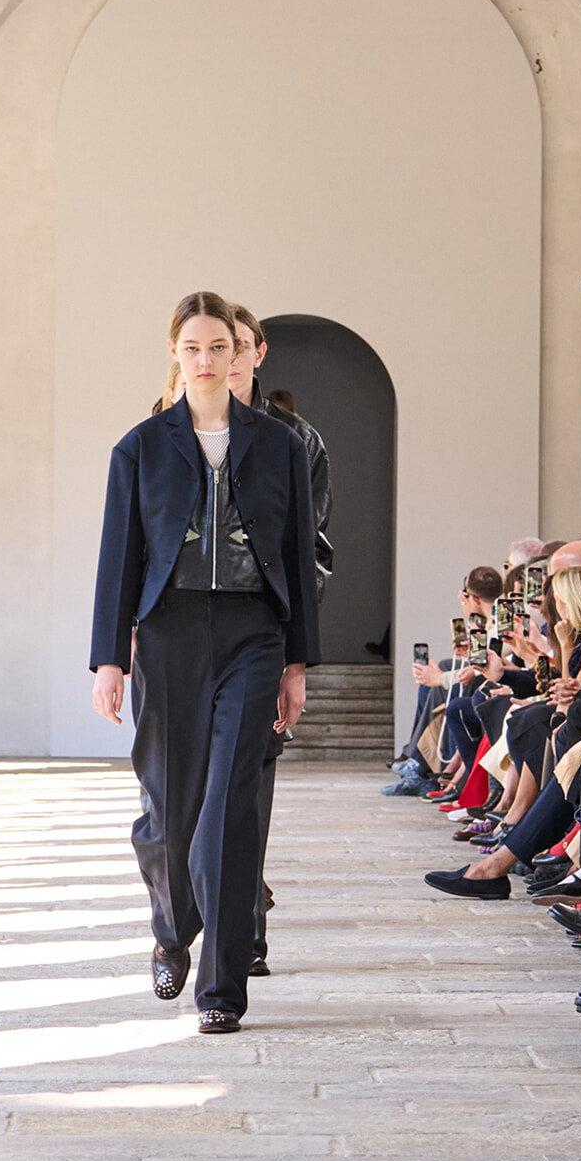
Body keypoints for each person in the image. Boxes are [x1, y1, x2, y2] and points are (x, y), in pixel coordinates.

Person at [91, 291, 320, 1034]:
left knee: (229, 808)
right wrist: (108, 658)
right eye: (192, 347)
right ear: (175, 355)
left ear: (241, 353)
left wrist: (296, 663)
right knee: (168, 808)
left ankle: (221, 990)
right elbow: (119, 558)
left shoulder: (279, 445)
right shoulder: (141, 446)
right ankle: (169, 929)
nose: (205, 359)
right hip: (168, 634)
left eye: (218, 346)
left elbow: (295, 559)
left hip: (254, 635)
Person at [228, 304, 333, 974]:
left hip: (259, 637)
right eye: (209, 346)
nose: (223, 359)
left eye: (236, 345)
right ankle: (205, 899)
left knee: (249, 783)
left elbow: (311, 552)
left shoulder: (297, 440)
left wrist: (293, 650)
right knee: (181, 802)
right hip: (180, 640)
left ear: (258, 352)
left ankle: (244, 919)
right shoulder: (159, 429)